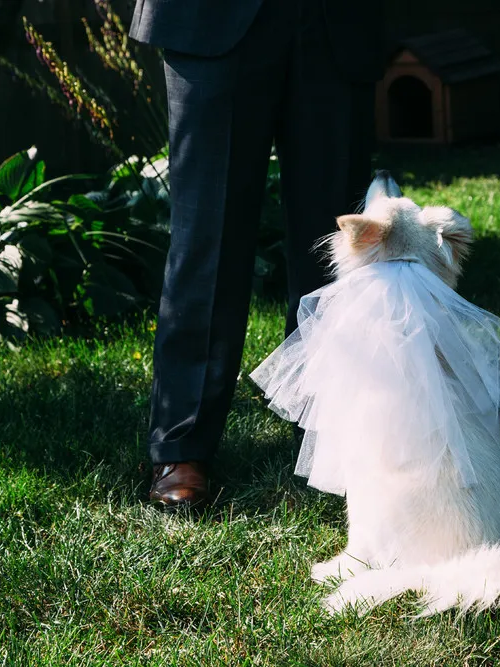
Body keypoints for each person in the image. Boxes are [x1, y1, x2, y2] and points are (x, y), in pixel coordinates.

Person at [129, 0, 385, 507]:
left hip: (333, 19)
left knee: (336, 241)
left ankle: (327, 427)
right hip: (210, 18)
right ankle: (183, 444)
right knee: (207, 234)